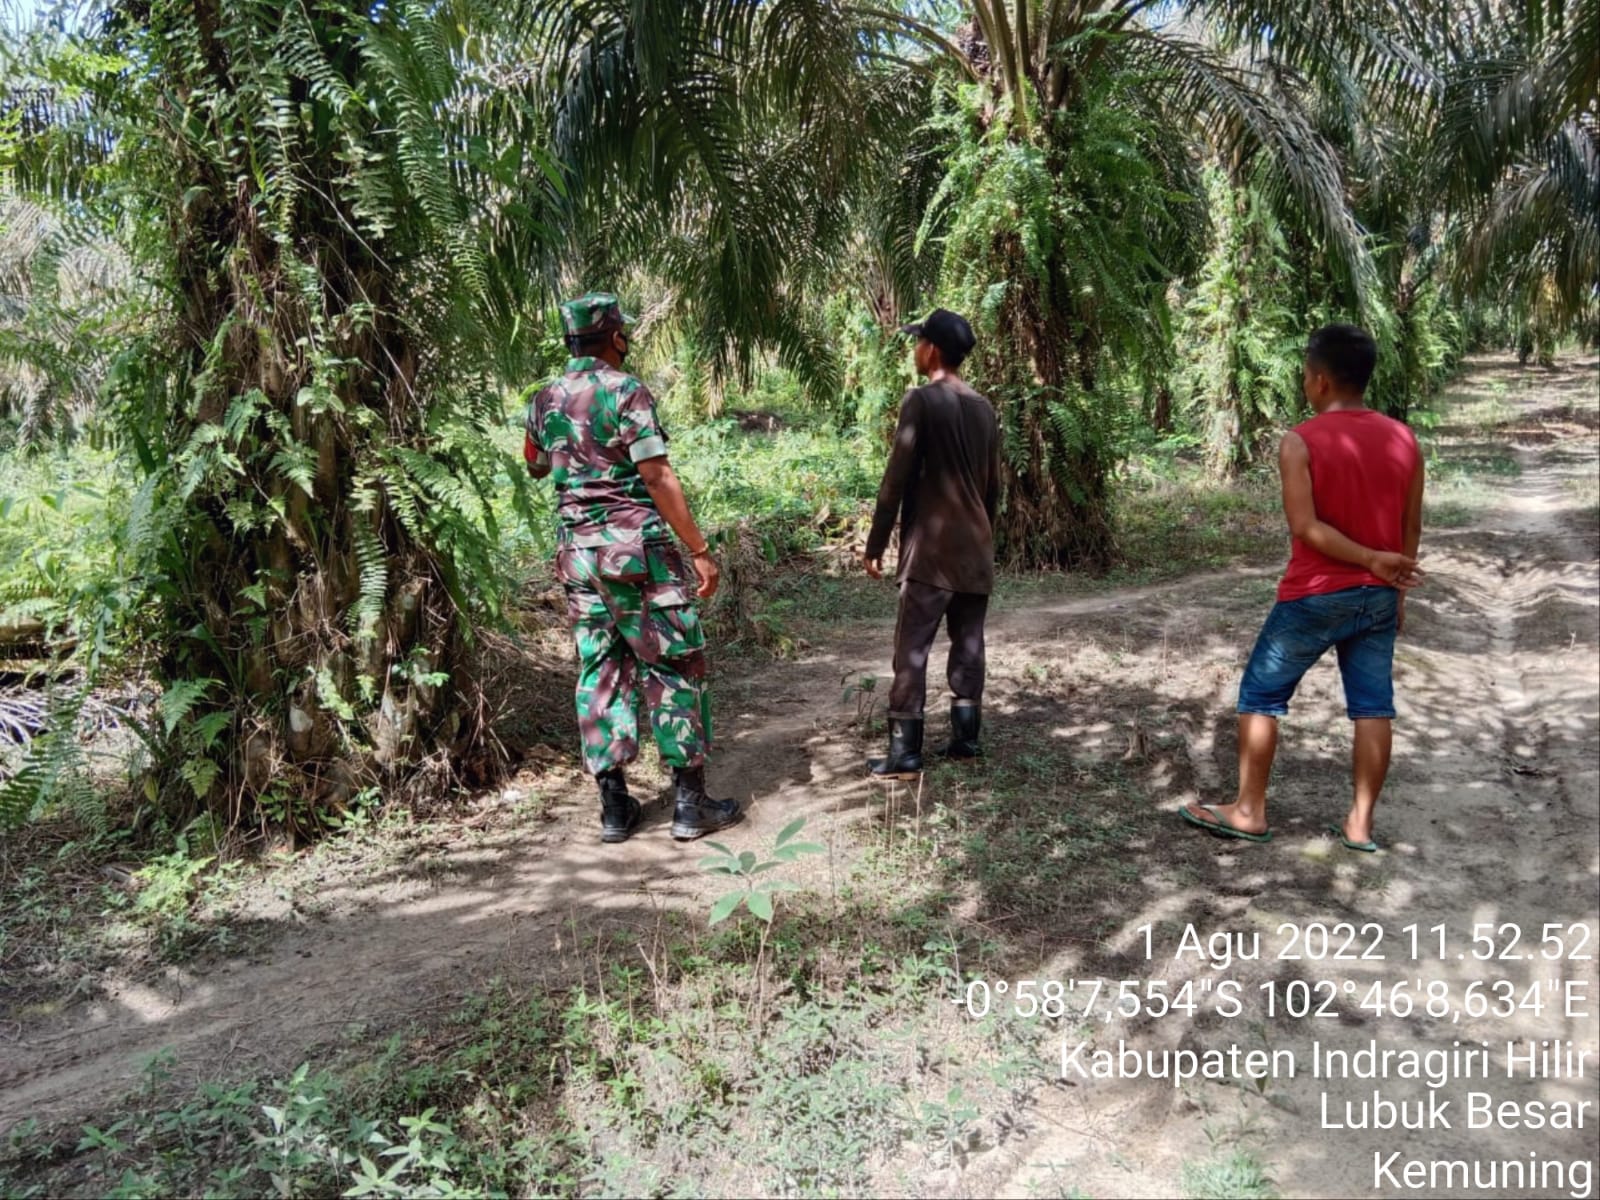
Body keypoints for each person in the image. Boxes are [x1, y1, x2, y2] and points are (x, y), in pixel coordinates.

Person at [1182, 324, 1425, 851]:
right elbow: (1411, 529)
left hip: (1314, 595)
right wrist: (1394, 585)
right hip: (1379, 595)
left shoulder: (1301, 441)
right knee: (1373, 707)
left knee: (1261, 695)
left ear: (1317, 381)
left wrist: (1365, 559)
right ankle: (1360, 824)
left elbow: (1306, 528)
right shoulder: (1405, 439)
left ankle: (1248, 810)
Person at [525, 292, 742, 843]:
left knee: (600, 668)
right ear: (615, 336)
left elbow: (533, 462)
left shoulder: (546, 397)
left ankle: (614, 809)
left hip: (578, 558)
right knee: (673, 663)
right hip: (636, 554)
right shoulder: (626, 390)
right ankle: (690, 804)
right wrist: (698, 549)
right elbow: (657, 476)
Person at [862, 308, 1001, 778]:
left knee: (912, 647)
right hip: (976, 549)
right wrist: (986, 539)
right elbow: (993, 489)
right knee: (969, 643)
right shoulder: (984, 408)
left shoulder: (920, 400)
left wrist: (876, 543)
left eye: (918, 341)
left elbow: (894, 481)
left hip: (932, 552)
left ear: (933, 350)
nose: (915, 349)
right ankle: (966, 739)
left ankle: (905, 752)